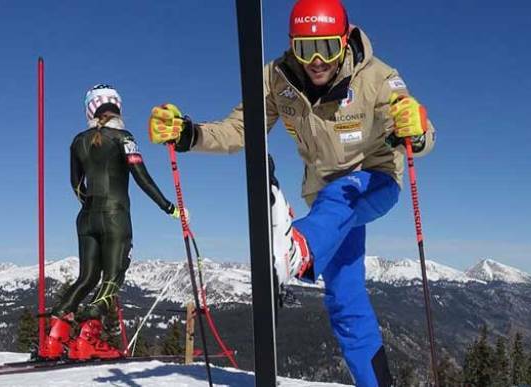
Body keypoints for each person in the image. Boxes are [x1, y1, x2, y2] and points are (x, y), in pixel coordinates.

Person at [148, 0, 435, 385]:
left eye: (328, 48)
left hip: (373, 180)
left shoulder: (378, 78)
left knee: (341, 197)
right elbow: (241, 129)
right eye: (305, 49)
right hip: (323, 205)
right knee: (345, 300)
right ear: (292, 45)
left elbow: (417, 128)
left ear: (345, 42)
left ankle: (296, 247)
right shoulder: (277, 80)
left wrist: (413, 128)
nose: (317, 61)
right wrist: (190, 134)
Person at [42, 84, 179, 360]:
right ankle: (86, 340)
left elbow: (76, 184)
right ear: (118, 106)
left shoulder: (78, 141)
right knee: (112, 277)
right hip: (115, 215)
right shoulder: (124, 137)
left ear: (90, 109)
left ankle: (54, 339)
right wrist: (170, 208)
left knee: (86, 277)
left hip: (86, 217)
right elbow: (142, 177)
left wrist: (90, 205)